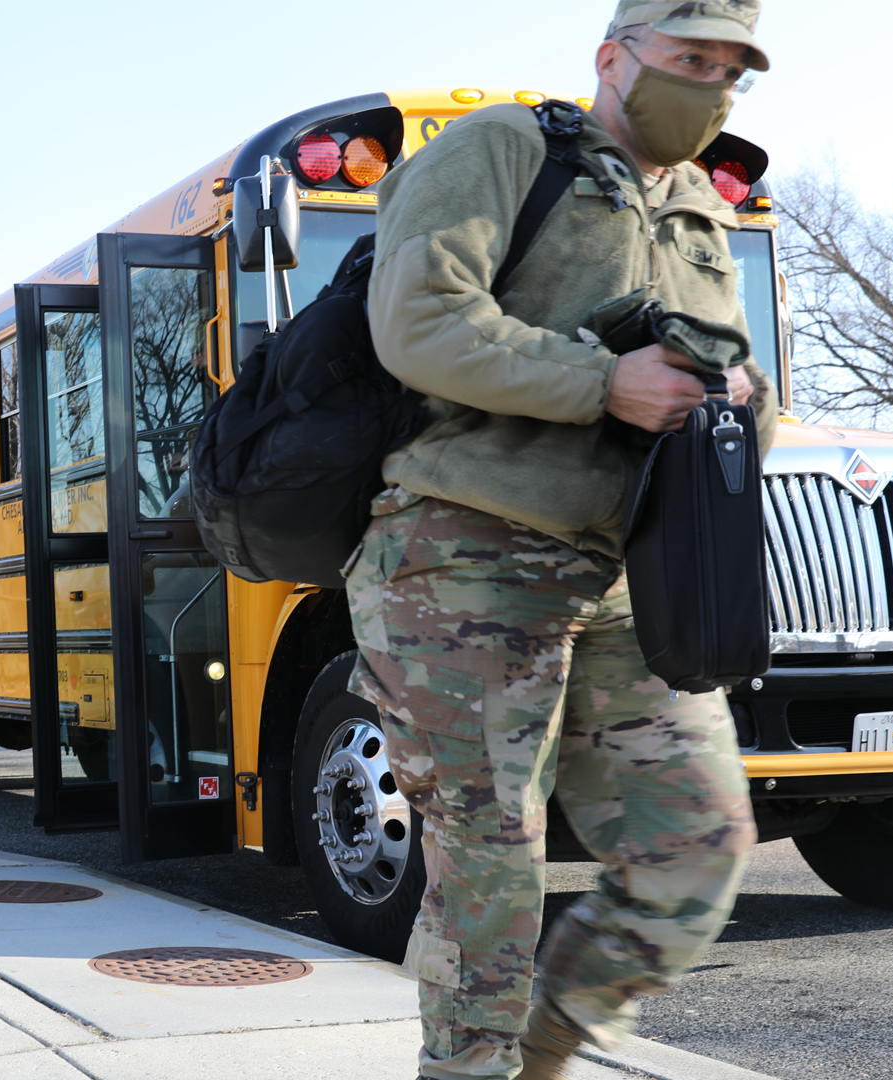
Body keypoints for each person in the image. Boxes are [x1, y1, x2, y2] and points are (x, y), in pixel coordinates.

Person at [347, 4, 775, 1078]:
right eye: (691, 61)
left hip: (629, 574)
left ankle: (538, 1056)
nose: (712, 87)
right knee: (490, 869)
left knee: (699, 849)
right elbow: (420, 322)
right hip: (464, 558)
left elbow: (742, 395)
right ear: (613, 59)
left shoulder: (696, 209)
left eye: (732, 71)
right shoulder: (505, 146)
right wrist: (603, 383)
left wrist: (736, 402)